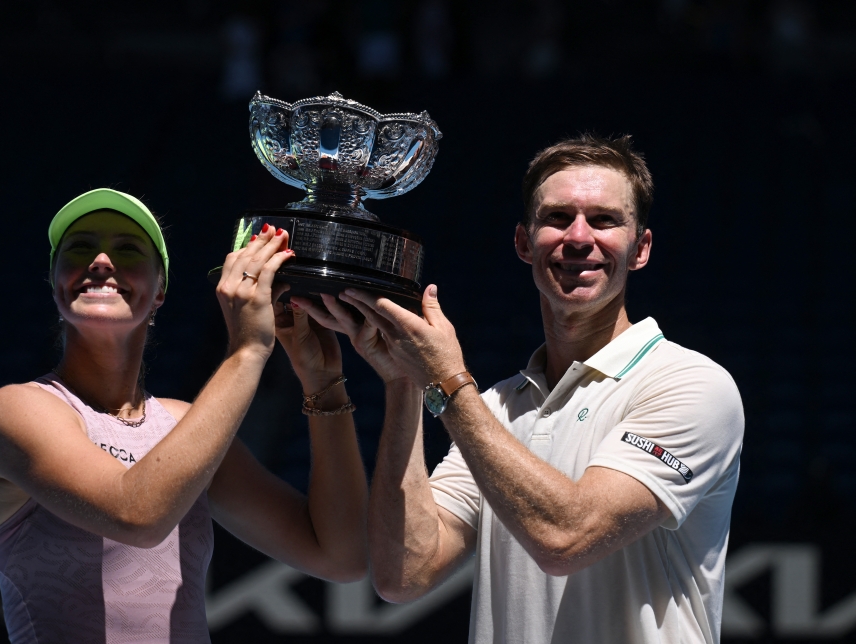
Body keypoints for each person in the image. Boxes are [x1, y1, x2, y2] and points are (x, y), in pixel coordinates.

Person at [296, 134, 744, 643]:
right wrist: (406, 385)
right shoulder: (496, 408)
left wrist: (448, 382)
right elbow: (405, 573)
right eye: (557, 218)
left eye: (604, 220)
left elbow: (567, 538)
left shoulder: (691, 385)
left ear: (640, 248)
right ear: (523, 243)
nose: (578, 237)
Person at [0, 188, 367, 643]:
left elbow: (341, 557)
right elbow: (138, 517)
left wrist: (322, 382)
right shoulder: (17, 409)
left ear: (160, 290)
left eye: (128, 249)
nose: (101, 261)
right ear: (54, 279)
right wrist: (246, 351)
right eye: (80, 246)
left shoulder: (184, 425)